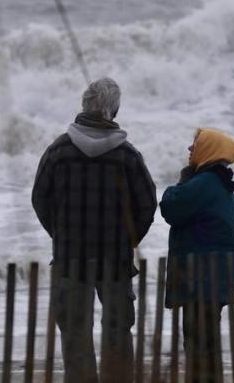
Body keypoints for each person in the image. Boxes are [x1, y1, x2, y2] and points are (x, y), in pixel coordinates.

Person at [32, 77, 157, 383]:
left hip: (70, 260)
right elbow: (147, 205)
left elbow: (39, 199)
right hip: (115, 262)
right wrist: (127, 240)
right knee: (117, 334)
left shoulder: (58, 152)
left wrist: (61, 235)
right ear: (114, 110)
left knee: (75, 336)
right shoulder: (127, 156)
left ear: (84, 105)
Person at [161, 128, 234, 383]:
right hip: (215, 275)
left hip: (202, 277)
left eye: (195, 145)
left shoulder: (205, 183)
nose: (190, 150)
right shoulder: (221, 183)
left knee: (197, 342)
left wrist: (184, 181)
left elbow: (170, 207)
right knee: (208, 341)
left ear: (208, 150)